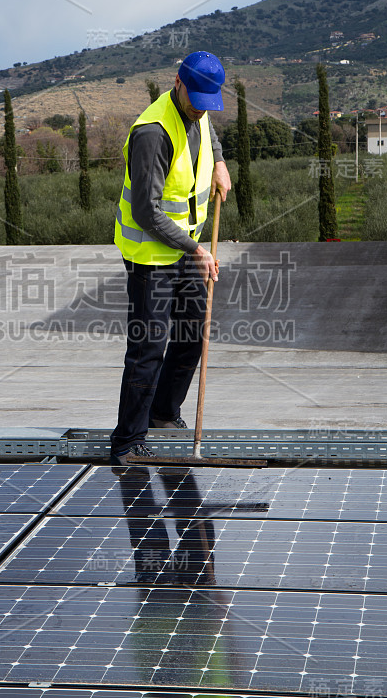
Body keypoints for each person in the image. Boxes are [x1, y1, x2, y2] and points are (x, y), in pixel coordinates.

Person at [110, 51, 231, 466]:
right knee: (148, 347)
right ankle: (127, 440)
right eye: (194, 98)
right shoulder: (153, 133)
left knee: (194, 335)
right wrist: (197, 249)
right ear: (176, 82)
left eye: (207, 102)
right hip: (150, 254)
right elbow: (146, 211)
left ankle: (164, 412)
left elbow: (209, 129)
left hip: (184, 247)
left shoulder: (200, 107)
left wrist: (219, 161)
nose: (200, 108)